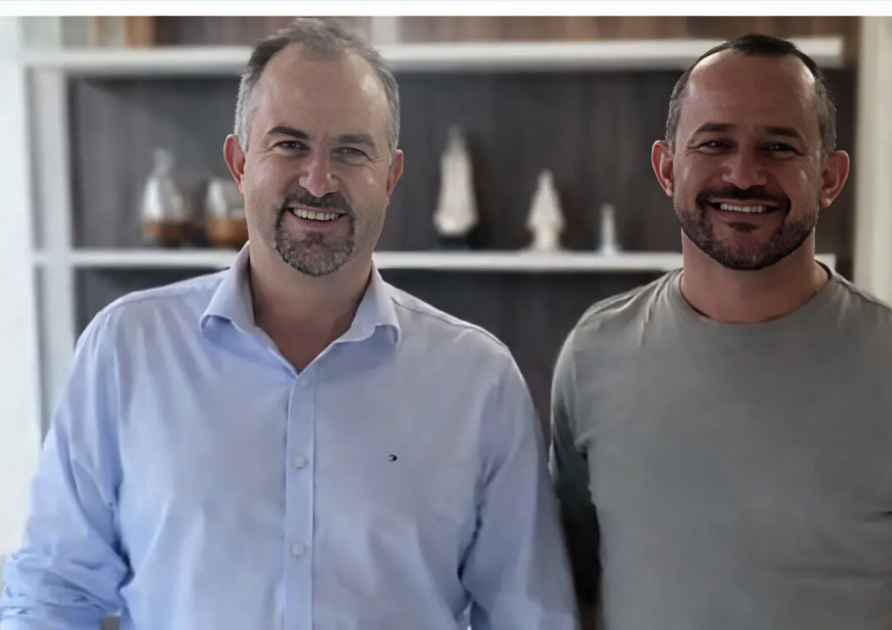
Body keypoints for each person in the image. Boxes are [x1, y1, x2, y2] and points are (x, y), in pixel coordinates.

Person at [1, 18, 578, 630]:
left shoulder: (478, 380)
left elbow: (529, 616)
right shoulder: (126, 350)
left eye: (351, 150)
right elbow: (53, 594)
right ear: (239, 162)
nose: (318, 180)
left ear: (390, 177)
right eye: (289, 145)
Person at [551, 33, 892, 630]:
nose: (743, 174)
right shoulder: (594, 353)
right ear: (667, 167)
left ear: (830, 177)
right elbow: (568, 585)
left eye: (779, 147)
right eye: (714, 143)